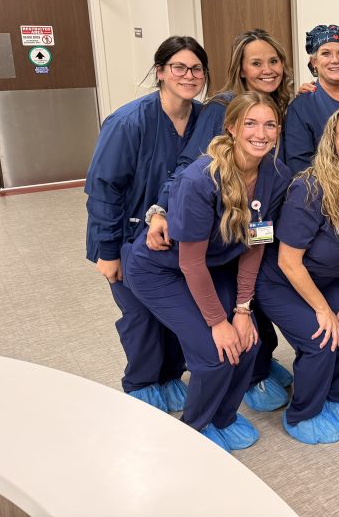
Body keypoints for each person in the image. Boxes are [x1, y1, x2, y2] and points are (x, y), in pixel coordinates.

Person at [123, 92, 291, 452]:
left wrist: (242, 311)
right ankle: (195, 429)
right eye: (250, 123)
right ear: (231, 127)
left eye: (270, 124)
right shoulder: (201, 179)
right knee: (214, 353)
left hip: (213, 267)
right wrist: (218, 322)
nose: (261, 133)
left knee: (248, 342)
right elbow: (190, 262)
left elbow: (256, 244)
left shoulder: (276, 176)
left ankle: (223, 418)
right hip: (162, 271)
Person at [146, 28, 295, 412]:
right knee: (218, 336)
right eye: (256, 62)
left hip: (233, 245)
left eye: (274, 61)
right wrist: (161, 210)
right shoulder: (218, 120)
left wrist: (241, 310)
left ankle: (250, 376)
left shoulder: (276, 142)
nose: (267, 69)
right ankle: (229, 394)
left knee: (249, 319)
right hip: (186, 253)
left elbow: (257, 238)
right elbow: (187, 169)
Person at [85, 36, 207, 412]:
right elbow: (104, 189)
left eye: (197, 68)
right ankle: (141, 383)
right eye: (179, 67)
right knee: (140, 317)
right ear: (160, 72)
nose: (189, 75)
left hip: (174, 237)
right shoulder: (129, 122)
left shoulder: (203, 118)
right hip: (125, 236)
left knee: (172, 312)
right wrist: (108, 252)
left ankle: (170, 376)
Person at [255, 106, 339, 444]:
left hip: (326, 279)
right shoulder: (311, 189)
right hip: (280, 281)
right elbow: (289, 261)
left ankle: (334, 397)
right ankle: (302, 413)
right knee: (321, 338)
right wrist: (324, 310)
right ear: (332, 144)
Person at [283, 24, 339, 174]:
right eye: (326, 54)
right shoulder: (301, 107)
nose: (335, 60)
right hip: (322, 187)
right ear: (314, 62)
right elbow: (300, 168)